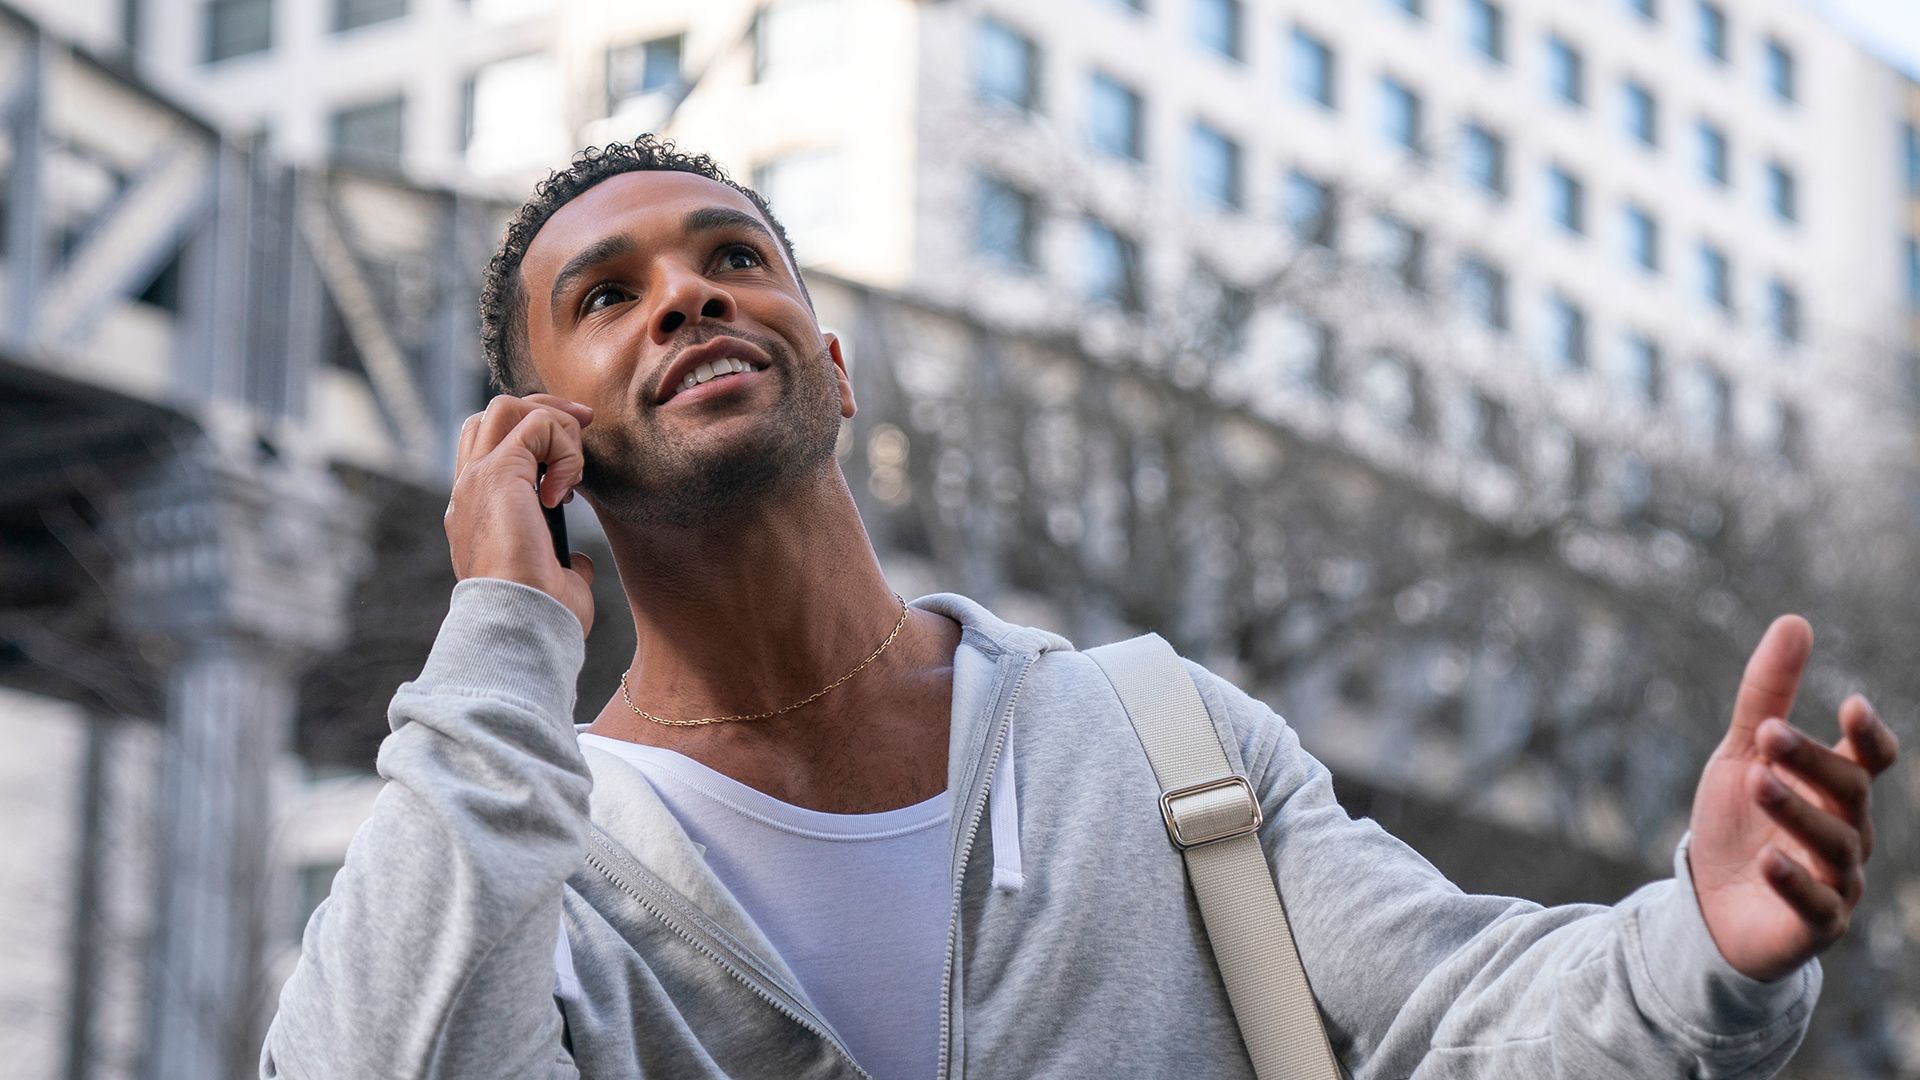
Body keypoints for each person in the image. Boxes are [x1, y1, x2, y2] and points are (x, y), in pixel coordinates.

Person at [260, 136, 1900, 1079]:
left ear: (830, 367)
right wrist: (497, 636)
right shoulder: (533, 861)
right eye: (603, 299)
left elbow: (1466, 1019)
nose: (686, 293)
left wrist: (1708, 939)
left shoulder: (1162, 738)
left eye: (733, 257)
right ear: (541, 450)